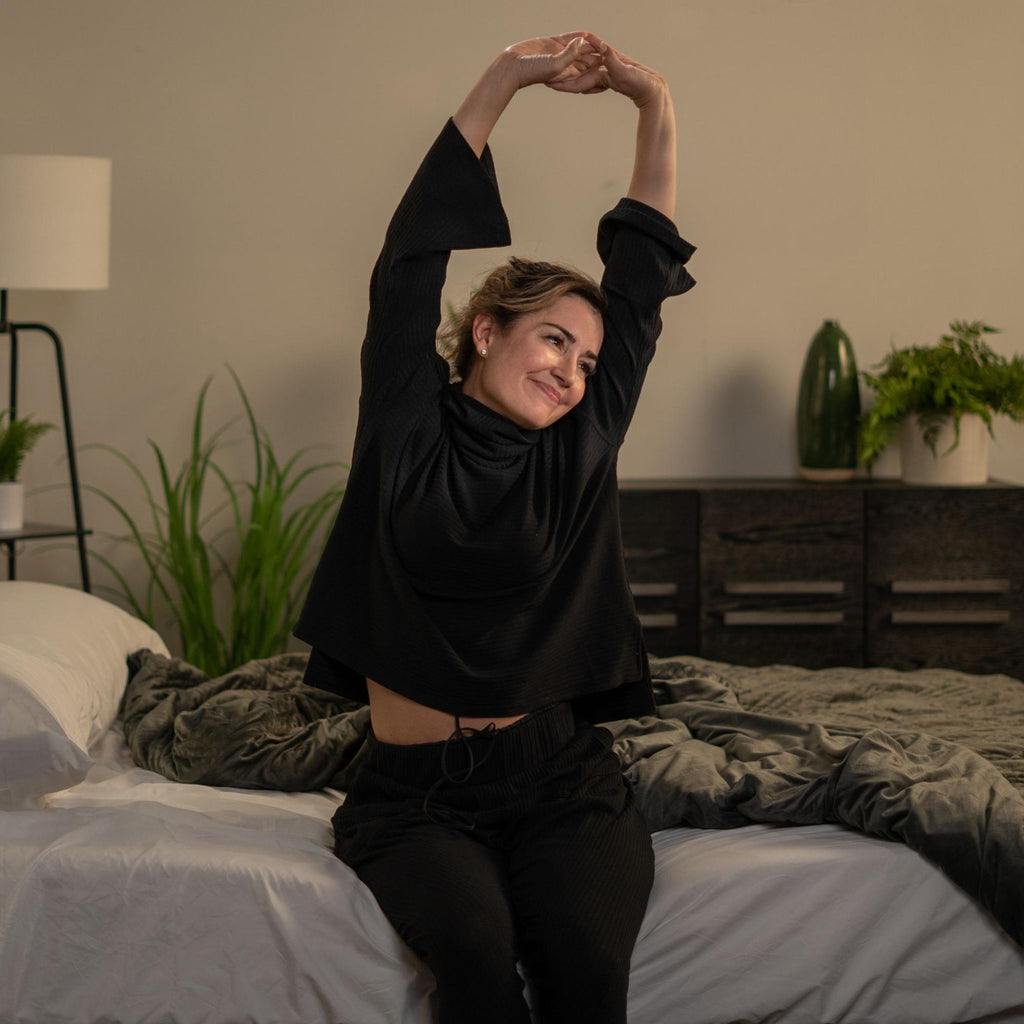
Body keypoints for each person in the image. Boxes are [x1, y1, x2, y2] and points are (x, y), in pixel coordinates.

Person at [294, 30, 696, 1024]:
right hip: (415, 796)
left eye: (587, 358)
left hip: (557, 782)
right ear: (486, 332)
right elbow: (408, 257)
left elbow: (640, 281)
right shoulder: (404, 417)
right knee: (475, 962)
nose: (572, 368)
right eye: (554, 338)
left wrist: (655, 103)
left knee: (588, 971)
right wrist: (506, 79)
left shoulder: (581, 443)